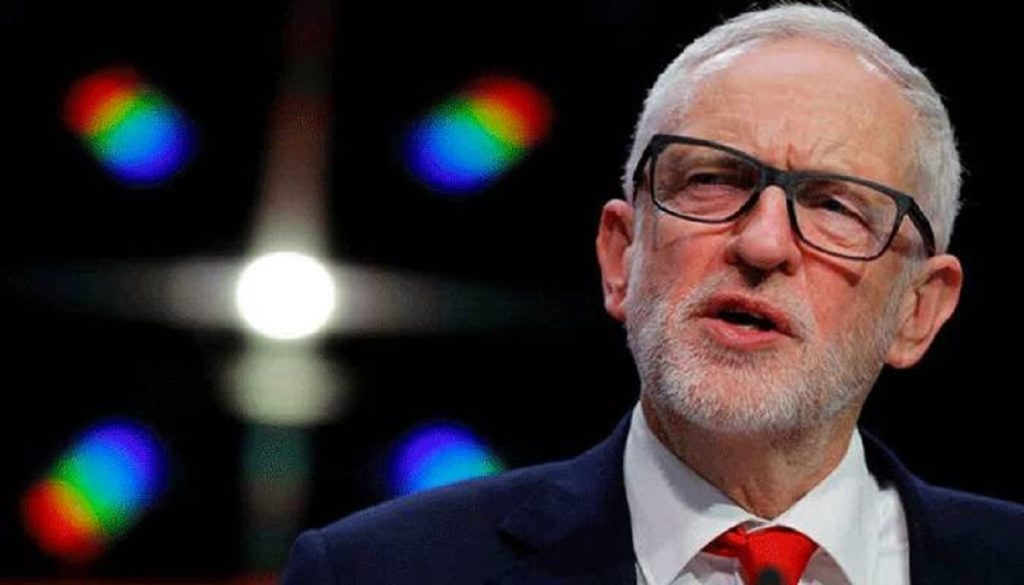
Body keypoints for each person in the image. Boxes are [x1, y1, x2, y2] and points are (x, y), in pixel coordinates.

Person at [282, 4, 1024, 584]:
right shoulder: (377, 572)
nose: (762, 243)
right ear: (621, 254)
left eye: (835, 205)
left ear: (919, 309)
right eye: (712, 180)